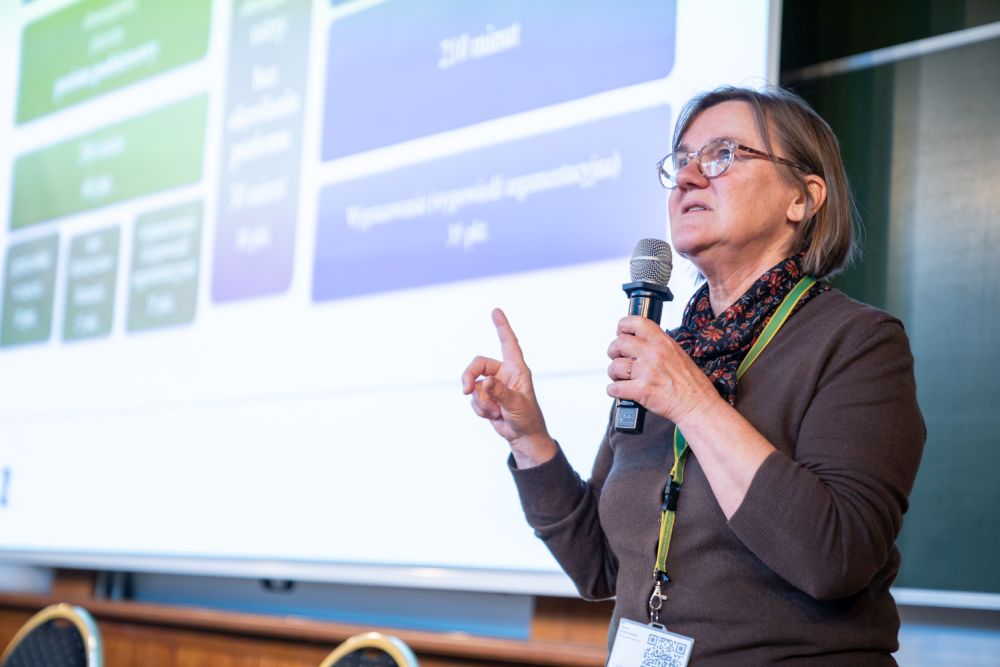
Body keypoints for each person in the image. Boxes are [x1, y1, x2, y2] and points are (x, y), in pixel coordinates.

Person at [461, 85, 925, 665]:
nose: (686, 178)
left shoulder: (857, 342)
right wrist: (530, 440)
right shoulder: (667, 355)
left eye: (723, 155)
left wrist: (692, 402)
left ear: (803, 198)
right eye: (681, 160)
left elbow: (836, 558)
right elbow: (601, 567)